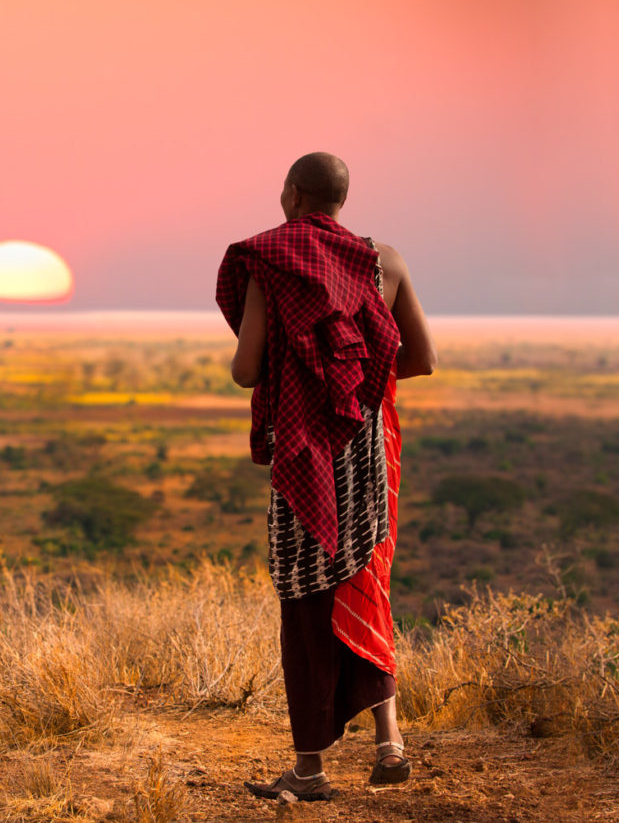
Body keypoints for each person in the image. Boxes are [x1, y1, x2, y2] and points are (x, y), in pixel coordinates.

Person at [215, 152, 436, 801]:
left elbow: (245, 369)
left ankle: (309, 769)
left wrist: (304, 378)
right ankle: (389, 743)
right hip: (364, 448)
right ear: (341, 198)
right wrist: (353, 382)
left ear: (291, 195)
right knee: (364, 583)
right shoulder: (384, 260)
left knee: (307, 601)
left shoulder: (270, 263)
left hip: (304, 455)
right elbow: (420, 356)